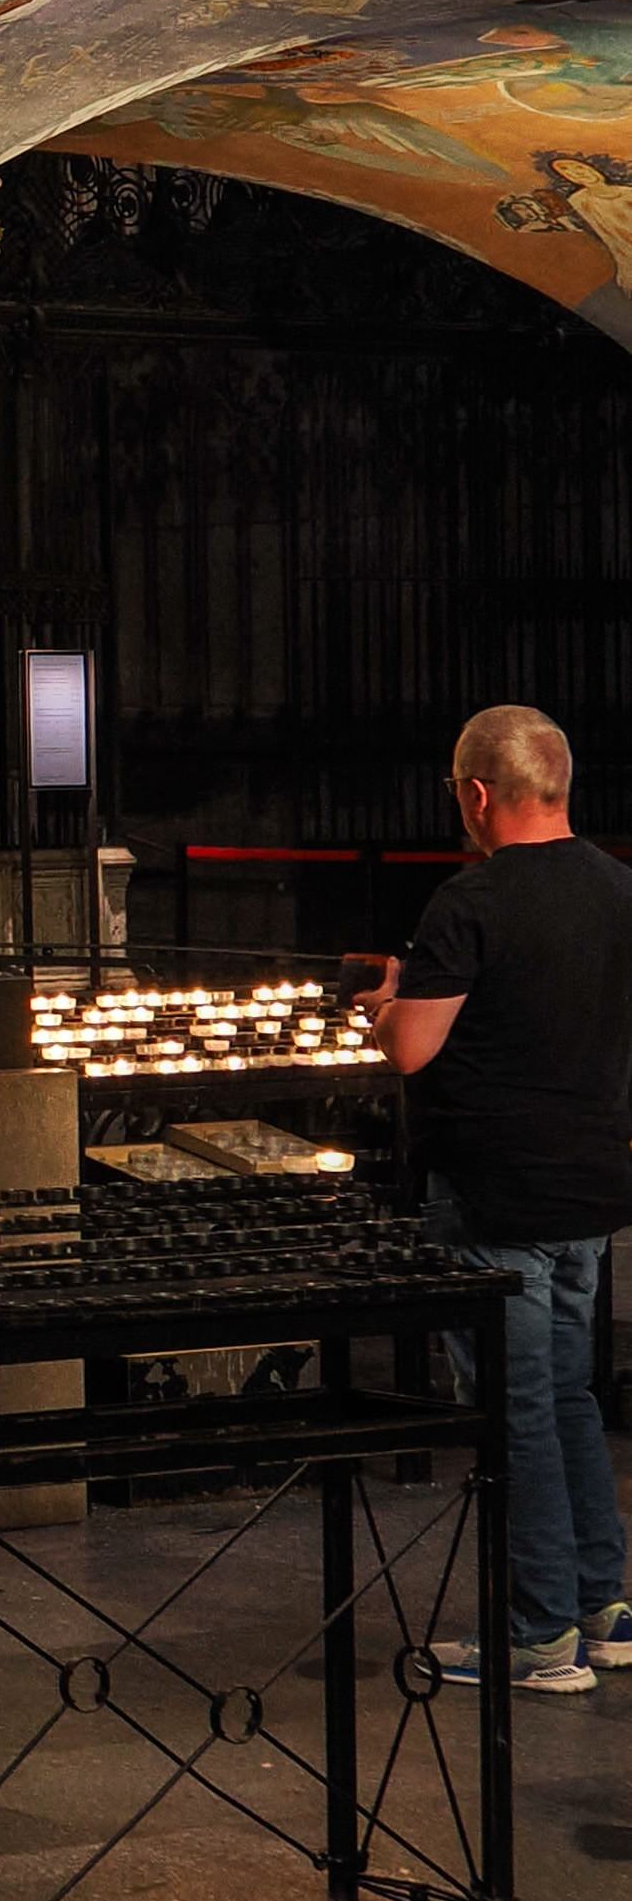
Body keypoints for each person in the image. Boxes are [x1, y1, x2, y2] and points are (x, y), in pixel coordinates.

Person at [362, 704, 632, 1699]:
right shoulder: (617, 888)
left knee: (514, 1411)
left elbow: (409, 1048)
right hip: (587, 1190)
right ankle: (602, 1609)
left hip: (493, 1197)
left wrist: (386, 1002)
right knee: (567, 1398)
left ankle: (536, 1634)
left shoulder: (468, 900)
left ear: (476, 793)